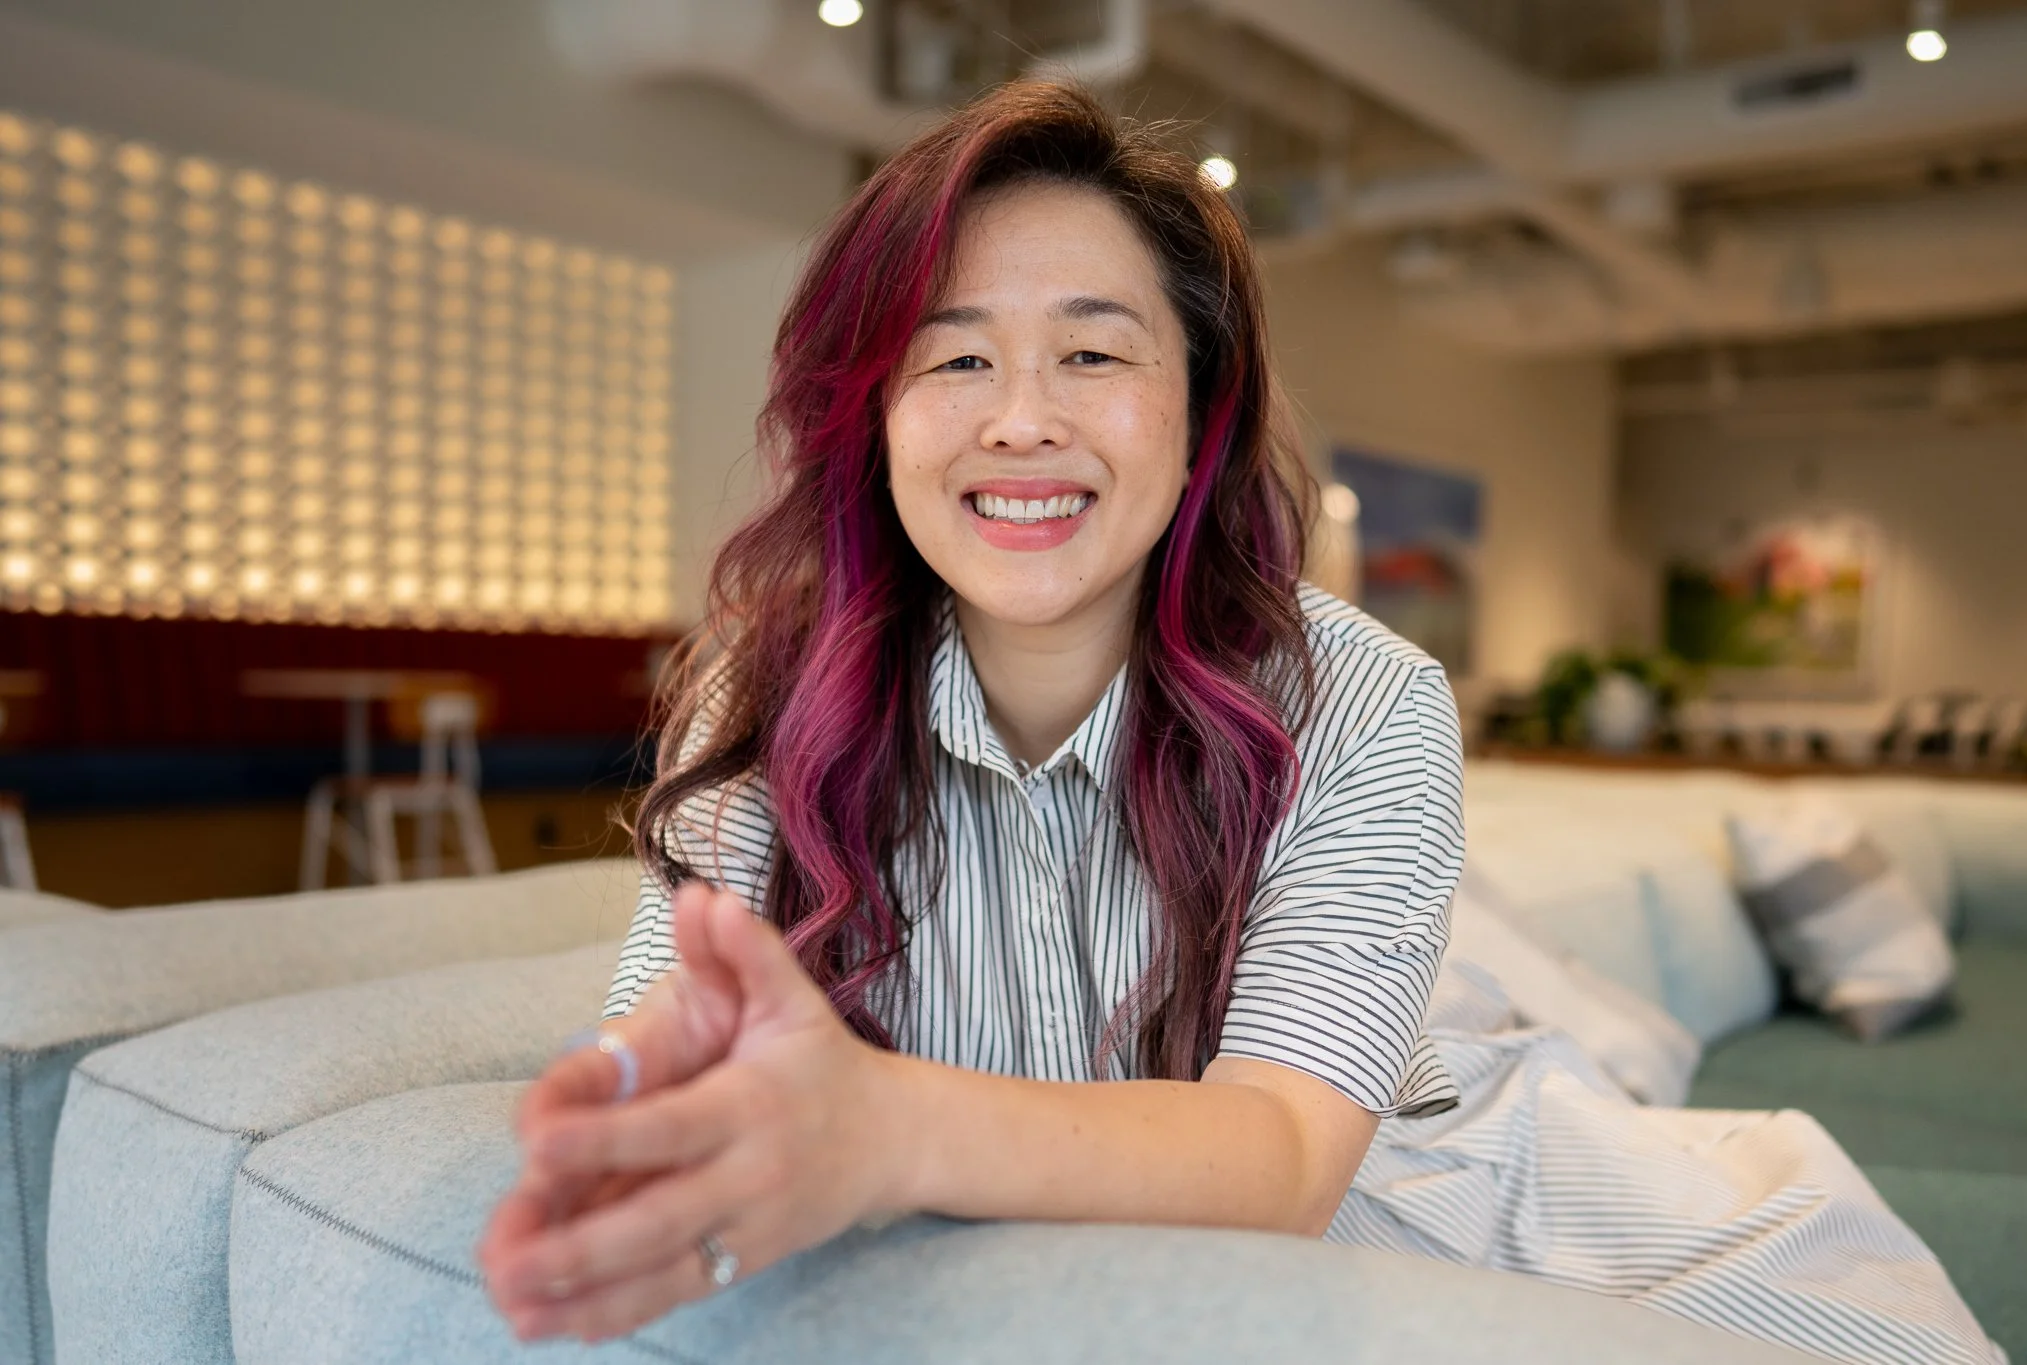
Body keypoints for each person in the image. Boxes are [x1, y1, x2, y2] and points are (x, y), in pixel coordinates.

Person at [474, 79, 1466, 1344]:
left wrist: (883, 1128)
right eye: (953, 358)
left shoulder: (1363, 699)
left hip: (1380, 1236)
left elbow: (1280, 1155)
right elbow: (679, 1021)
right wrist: (644, 1118)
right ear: (874, 415)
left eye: (1093, 353)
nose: (1019, 421)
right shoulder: (761, 694)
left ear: (1199, 407)